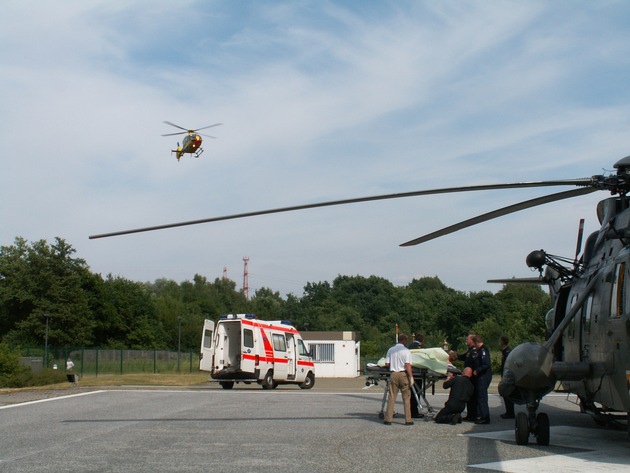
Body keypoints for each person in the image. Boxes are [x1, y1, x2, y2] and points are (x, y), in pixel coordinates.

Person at [383, 334, 415, 426]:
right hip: (403, 374)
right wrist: (411, 377)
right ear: (404, 340)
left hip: (393, 374)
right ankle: (408, 419)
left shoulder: (391, 350)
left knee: (392, 397)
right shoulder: (406, 351)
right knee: (406, 398)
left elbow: (387, 364)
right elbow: (408, 365)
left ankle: (388, 419)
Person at [449, 334, 478, 421]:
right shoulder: (470, 351)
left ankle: (474, 415)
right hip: (469, 377)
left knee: (473, 397)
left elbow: (474, 363)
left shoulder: (474, 351)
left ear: (472, 341)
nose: (466, 340)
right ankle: (470, 414)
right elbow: (464, 357)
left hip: (472, 377)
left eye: (468, 339)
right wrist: (456, 355)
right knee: (469, 397)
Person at [473, 335, 492, 424]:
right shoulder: (480, 350)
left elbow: (486, 364)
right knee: (480, 397)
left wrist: (477, 370)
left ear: (477, 342)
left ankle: (485, 417)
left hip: (483, 376)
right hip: (481, 376)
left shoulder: (483, 351)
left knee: (482, 397)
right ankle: (480, 414)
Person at [408, 334, 424, 418]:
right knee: (416, 393)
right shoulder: (418, 347)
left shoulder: (410, 346)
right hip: (417, 373)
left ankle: (412, 411)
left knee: (412, 393)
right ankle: (414, 412)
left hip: (411, 372)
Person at [499, 335, 515, 419]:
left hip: (507, 376)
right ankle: (509, 411)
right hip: (505, 375)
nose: (499, 342)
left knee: (507, 394)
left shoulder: (507, 352)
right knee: (506, 395)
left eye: (500, 341)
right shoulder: (505, 351)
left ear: (503, 341)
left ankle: (510, 412)